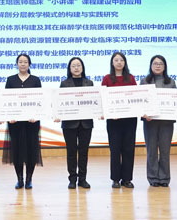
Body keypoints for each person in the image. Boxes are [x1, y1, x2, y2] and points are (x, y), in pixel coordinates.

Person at [4, 53, 43, 189]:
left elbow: (40, 100)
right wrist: (9, 116)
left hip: (32, 122)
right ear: (17, 64)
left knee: (31, 150)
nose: (23, 64)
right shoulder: (10, 80)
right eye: (20, 62)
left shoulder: (35, 80)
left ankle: (29, 179)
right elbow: (6, 100)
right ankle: (19, 179)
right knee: (17, 150)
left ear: (29, 64)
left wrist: (36, 115)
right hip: (15, 123)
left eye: (25, 62)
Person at [101, 52, 138, 189]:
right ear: (112, 62)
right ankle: (115, 179)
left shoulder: (131, 78)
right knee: (115, 150)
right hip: (113, 121)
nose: (119, 62)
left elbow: (136, 97)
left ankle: (127, 179)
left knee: (128, 149)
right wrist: (109, 113)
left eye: (121, 60)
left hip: (129, 120)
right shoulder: (107, 79)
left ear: (125, 62)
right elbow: (103, 99)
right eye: (116, 60)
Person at [140, 55, 177, 188]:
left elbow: (176, 101)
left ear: (164, 66)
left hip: (166, 122)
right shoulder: (145, 81)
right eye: (155, 63)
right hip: (150, 122)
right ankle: (153, 177)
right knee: (151, 151)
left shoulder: (171, 82)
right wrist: (144, 114)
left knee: (165, 151)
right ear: (151, 66)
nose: (158, 66)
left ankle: (164, 178)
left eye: (160, 63)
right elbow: (141, 101)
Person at [57, 57, 94, 189]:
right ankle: (72, 179)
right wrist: (58, 114)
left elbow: (93, 102)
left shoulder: (89, 83)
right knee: (71, 152)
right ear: (69, 68)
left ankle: (82, 179)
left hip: (86, 123)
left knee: (84, 152)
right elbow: (60, 102)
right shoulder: (64, 84)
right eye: (73, 66)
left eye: (79, 65)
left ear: (82, 67)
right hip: (69, 124)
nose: (76, 68)